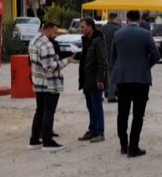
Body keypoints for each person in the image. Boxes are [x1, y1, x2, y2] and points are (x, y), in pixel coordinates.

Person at [111, 10, 161, 157]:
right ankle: (134, 146)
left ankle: (123, 145)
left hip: (122, 78)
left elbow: (113, 57)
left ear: (127, 19)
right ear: (139, 19)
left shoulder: (118, 34)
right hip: (141, 78)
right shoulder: (145, 34)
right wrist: (146, 65)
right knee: (138, 114)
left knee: (123, 112)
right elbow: (156, 55)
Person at [29, 22, 73, 152]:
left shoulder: (34, 41)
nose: (56, 35)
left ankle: (34, 139)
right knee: (49, 112)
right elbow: (49, 67)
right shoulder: (47, 44)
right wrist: (65, 61)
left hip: (38, 81)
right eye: (55, 32)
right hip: (49, 83)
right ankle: (48, 141)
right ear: (48, 30)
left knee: (40, 111)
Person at [77, 18, 108, 143]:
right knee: (90, 106)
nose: (81, 29)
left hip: (95, 80)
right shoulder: (87, 41)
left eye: (83, 27)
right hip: (87, 79)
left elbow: (102, 61)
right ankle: (92, 130)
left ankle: (99, 132)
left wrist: (100, 79)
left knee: (97, 106)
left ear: (90, 27)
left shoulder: (98, 41)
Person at [99, 13, 122, 103]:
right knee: (112, 76)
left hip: (102, 55)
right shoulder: (118, 29)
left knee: (102, 76)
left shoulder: (101, 29)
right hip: (113, 56)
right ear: (114, 19)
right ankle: (111, 95)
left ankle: (103, 93)